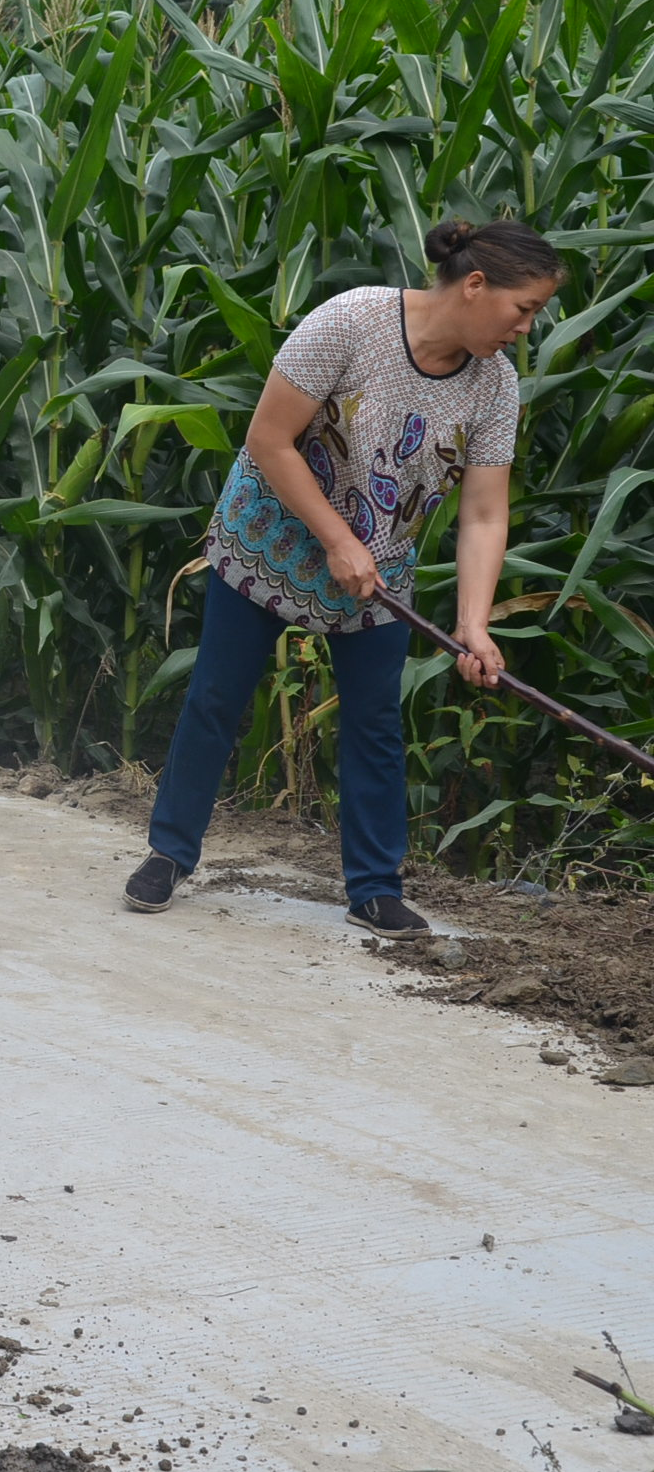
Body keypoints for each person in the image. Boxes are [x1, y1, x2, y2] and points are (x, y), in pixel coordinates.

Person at [125, 218, 564, 938]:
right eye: (525, 310)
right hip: (272, 532)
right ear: (477, 285)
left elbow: (484, 515)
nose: (524, 329)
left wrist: (474, 624)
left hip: (378, 567)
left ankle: (373, 888)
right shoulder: (351, 321)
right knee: (217, 696)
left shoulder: (495, 387)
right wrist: (334, 537)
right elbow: (267, 439)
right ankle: (169, 854)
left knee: (374, 723)